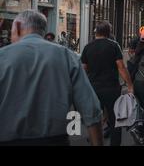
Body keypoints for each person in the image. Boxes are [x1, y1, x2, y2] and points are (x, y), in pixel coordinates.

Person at [0, 10, 103, 146]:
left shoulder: (3, 57)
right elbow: (91, 109)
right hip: (55, 140)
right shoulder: (67, 56)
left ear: (18, 27)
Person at [81, 21, 134, 146]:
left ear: (96, 32)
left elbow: (83, 69)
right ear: (108, 32)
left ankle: (95, 142)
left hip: (94, 88)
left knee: (95, 119)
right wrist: (130, 85)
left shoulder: (88, 47)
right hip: (111, 89)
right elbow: (121, 67)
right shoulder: (114, 46)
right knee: (115, 119)